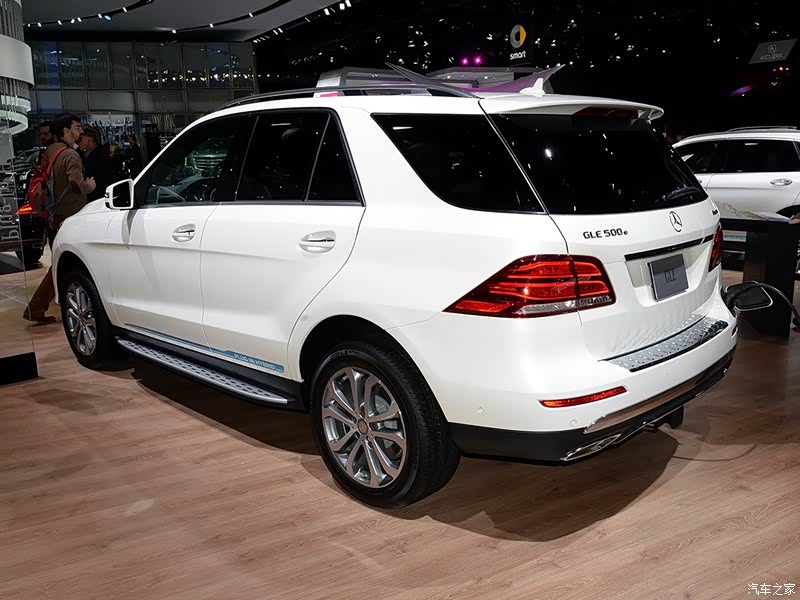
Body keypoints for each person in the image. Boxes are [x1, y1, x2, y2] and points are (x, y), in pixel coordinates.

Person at [22, 114, 96, 325]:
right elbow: (76, 184)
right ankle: (38, 306)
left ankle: (45, 305)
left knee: (63, 261)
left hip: (55, 214)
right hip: (72, 215)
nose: (80, 131)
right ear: (66, 131)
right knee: (66, 262)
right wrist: (89, 186)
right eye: (77, 127)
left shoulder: (51, 151)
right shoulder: (70, 155)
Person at [78, 125, 113, 202]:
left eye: (80, 138)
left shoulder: (102, 156)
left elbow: (103, 182)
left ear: (90, 138)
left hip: (97, 199)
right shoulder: (80, 154)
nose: (77, 141)